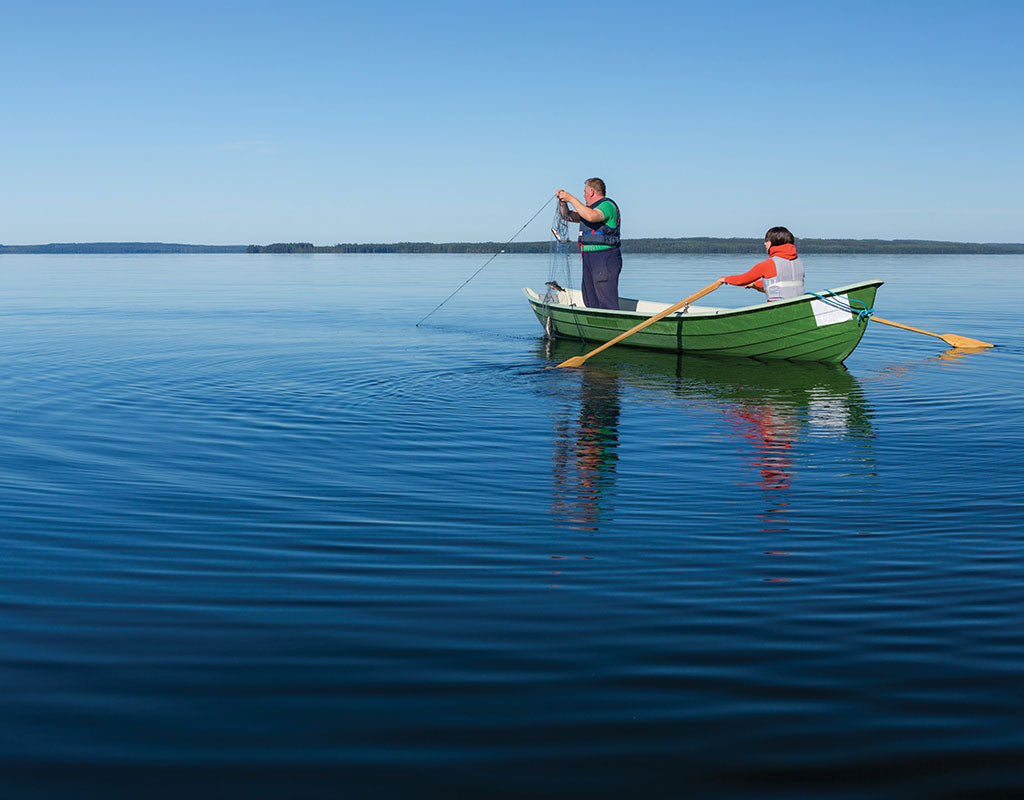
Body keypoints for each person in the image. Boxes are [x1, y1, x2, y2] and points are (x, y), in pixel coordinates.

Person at [555, 178, 622, 310]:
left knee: (605, 300)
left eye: (585, 192)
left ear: (591, 192)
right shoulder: (587, 210)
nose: (584, 195)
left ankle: (612, 327)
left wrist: (571, 198)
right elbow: (566, 216)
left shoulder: (606, 206)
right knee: (590, 298)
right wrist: (563, 202)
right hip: (588, 257)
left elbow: (592, 216)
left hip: (604, 257)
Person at [719, 227, 805, 302]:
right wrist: (754, 284)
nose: (765, 243)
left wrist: (725, 279)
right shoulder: (799, 262)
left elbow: (741, 280)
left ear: (774, 242)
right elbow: (779, 283)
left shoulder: (768, 264)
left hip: (777, 308)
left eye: (767, 241)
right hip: (798, 305)